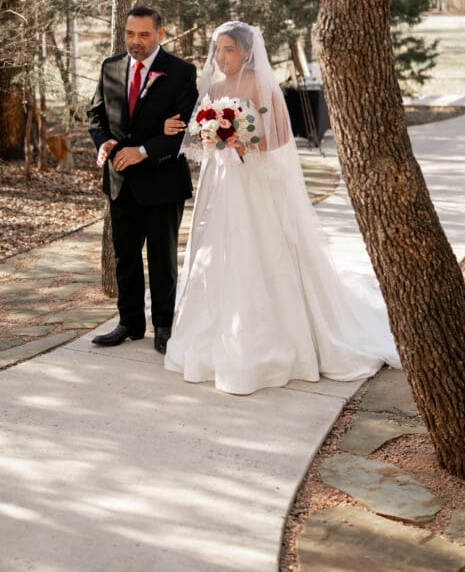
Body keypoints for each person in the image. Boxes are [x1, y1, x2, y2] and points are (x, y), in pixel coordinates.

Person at [163, 20, 400, 394]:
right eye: (218, 50)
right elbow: (198, 137)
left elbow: (282, 137)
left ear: (246, 52)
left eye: (229, 50)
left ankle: (278, 341)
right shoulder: (213, 86)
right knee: (222, 252)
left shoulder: (260, 84)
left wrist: (242, 142)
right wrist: (214, 137)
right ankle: (217, 335)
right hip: (224, 183)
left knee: (263, 250)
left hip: (257, 181)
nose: (222, 57)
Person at [87, 5, 198, 354]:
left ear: (160, 34)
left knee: (162, 258)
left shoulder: (180, 72)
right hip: (120, 180)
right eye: (130, 34)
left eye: (144, 35)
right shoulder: (110, 67)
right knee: (126, 256)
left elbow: (182, 131)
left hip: (162, 180)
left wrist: (144, 151)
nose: (136, 42)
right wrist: (103, 140)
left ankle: (163, 326)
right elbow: (96, 114)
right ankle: (129, 323)